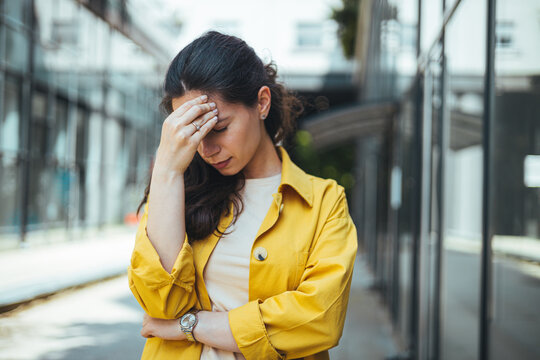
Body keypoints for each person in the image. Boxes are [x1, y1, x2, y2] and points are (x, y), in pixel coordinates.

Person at [127, 30, 358, 360]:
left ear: (261, 103)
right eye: (194, 134)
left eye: (218, 128)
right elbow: (160, 304)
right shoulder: (177, 188)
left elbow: (319, 319)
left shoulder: (323, 202)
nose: (207, 149)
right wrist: (167, 168)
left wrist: (191, 325)